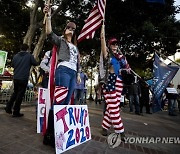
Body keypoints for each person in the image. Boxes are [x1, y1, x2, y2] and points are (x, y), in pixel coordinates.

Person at [43, 5, 81, 147]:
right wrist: (48, 16)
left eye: (73, 29)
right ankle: (49, 135)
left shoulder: (76, 47)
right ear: (65, 30)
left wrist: (78, 73)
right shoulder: (60, 40)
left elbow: (77, 62)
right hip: (63, 71)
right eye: (69, 28)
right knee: (58, 102)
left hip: (72, 74)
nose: (71, 30)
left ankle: (58, 133)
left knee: (65, 104)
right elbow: (49, 33)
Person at [100, 24, 131, 140]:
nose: (115, 45)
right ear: (109, 45)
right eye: (113, 44)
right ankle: (120, 130)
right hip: (109, 81)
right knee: (114, 107)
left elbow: (128, 69)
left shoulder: (122, 57)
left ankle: (104, 127)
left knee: (112, 107)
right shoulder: (107, 55)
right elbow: (102, 42)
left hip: (119, 82)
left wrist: (126, 69)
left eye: (116, 44)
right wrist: (102, 36)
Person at [5, 44, 38, 117]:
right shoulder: (29, 56)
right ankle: (16, 112)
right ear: (27, 49)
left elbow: (13, 65)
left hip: (16, 77)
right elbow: (35, 63)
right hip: (23, 78)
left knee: (15, 93)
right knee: (20, 95)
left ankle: (8, 108)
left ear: (20, 49)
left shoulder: (15, 56)